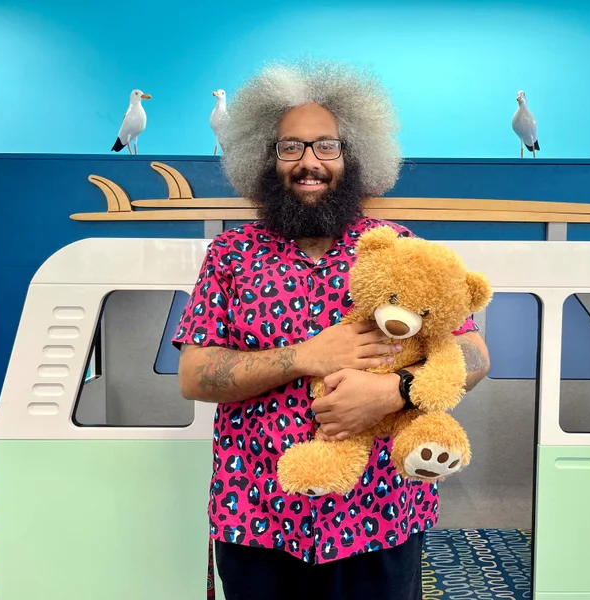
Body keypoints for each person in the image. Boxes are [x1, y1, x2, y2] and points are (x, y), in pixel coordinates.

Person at [173, 60, 490, 600]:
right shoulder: (229, 255)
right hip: (256, 516)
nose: (308, 162)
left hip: (379, 517)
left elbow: (473, 354)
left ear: (353, 156)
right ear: (265, 159)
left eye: (326, 146)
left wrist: (390, 391)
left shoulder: (398, 247)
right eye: (290, 147)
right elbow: (195, 376)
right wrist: (305, 356)